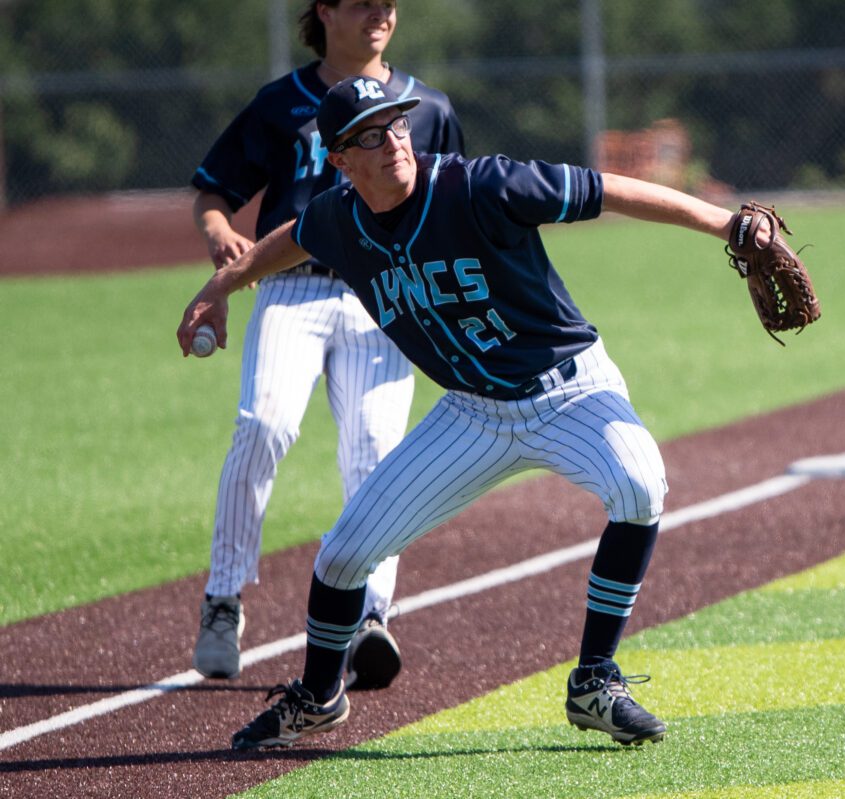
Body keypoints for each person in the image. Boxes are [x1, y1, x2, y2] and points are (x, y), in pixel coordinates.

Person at [177, 76, 780, 749]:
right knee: (343, 557)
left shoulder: (481, 185)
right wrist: (221, 283)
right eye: (370, 136)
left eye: (398, 125)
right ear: (339, 161)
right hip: (472, 415)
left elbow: (609, 190)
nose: (393, 142)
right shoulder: (339, 217)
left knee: (641, 485)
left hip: (569, 390)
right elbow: (294, 236)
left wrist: (727, 223)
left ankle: (594, 680)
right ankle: (319, 696)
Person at [188, 0, 464, 687]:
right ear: (325, 12)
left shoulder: (425, 107)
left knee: (375, 453)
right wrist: (222, 237)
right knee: (263, 424)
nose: (379, 12)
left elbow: (454, 209)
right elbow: (213, 191)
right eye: (362, 1)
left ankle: (371, 616)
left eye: (388, 3)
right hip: (292, 289)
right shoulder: (283, 102)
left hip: (383, 296)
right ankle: (223, 599)